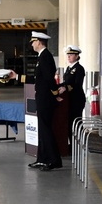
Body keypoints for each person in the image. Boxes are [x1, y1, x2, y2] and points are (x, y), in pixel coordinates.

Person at [29, 31, 62, 171]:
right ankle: (42, 159)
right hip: (42, 97)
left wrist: (55, 94)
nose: (32, 44)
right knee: (42, 130)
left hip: (46, 99)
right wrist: (17, 77)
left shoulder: (45, 57)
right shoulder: (41, 56)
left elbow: (49, 79)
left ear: (38, 42)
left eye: (33, 41)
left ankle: (54, 160)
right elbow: (39, 79)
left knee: (46, 130)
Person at [58, 45, 86, 138]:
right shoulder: (68, 68)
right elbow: (65, 82)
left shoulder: (79, 68)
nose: (68, 57)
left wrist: (66, 87)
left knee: (75, 121)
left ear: (77, 56)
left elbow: (77, 84)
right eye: (68, 55)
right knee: (70, 121)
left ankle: (78, 143)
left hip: (77, 99)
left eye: (71, 54)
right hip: (69, 99)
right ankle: (71, 144)